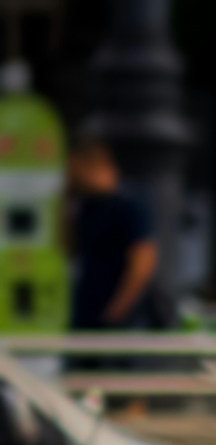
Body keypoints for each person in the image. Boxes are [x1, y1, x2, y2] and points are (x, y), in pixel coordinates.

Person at [62, 132, 157, 334]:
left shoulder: (128, 204)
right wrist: (65, 200)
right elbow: (68, 248)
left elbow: (143, 260)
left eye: (73, 170)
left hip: (117, 317)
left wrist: (119, 309)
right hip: (87, 311)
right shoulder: (87, 206)